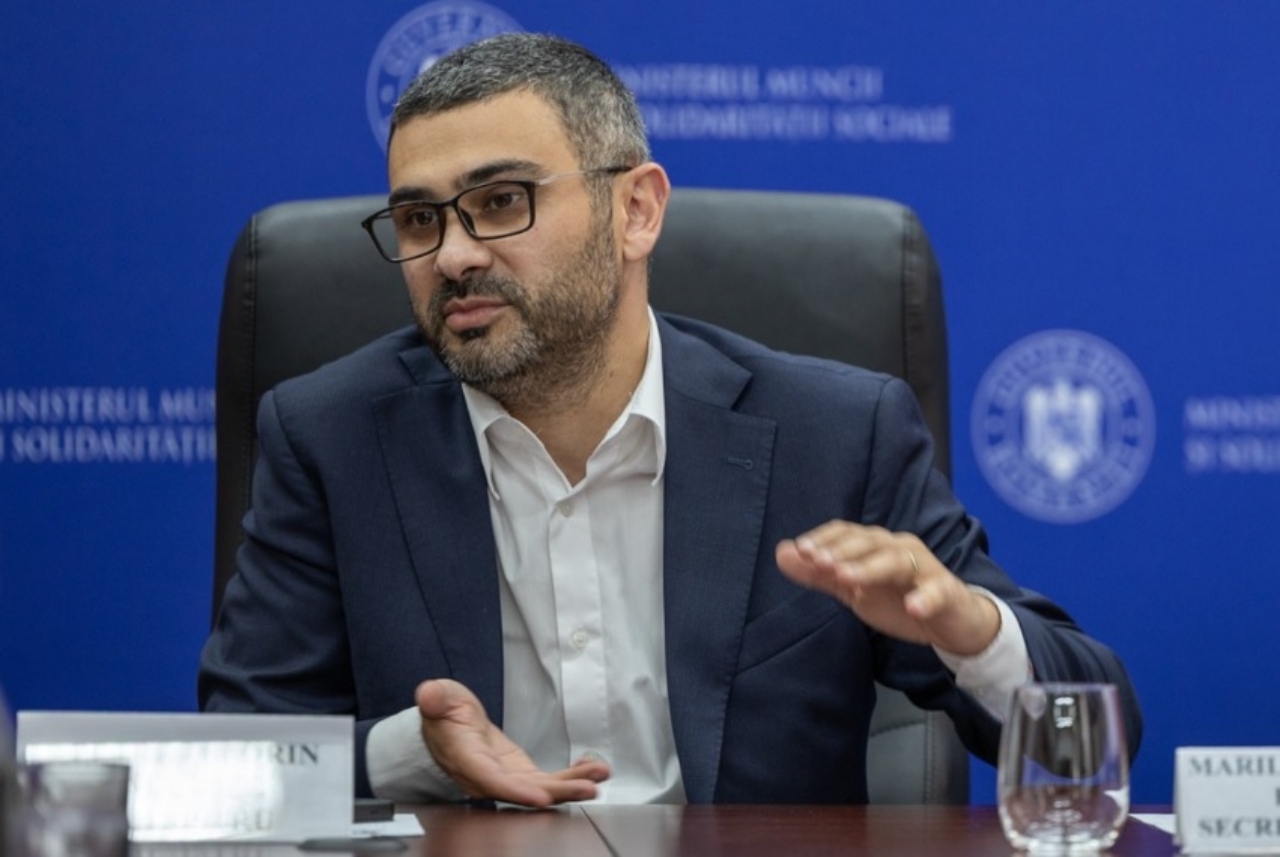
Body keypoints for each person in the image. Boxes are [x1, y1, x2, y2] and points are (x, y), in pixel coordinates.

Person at [199, 32, 1141, 807]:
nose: (452, 255)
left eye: (500, 202)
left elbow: (1094, 745)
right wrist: (416, 752)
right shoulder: (331, 437)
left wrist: (968, 629)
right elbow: (234, 765)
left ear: (637, 211)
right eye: (418, 220)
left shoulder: (833, 435)